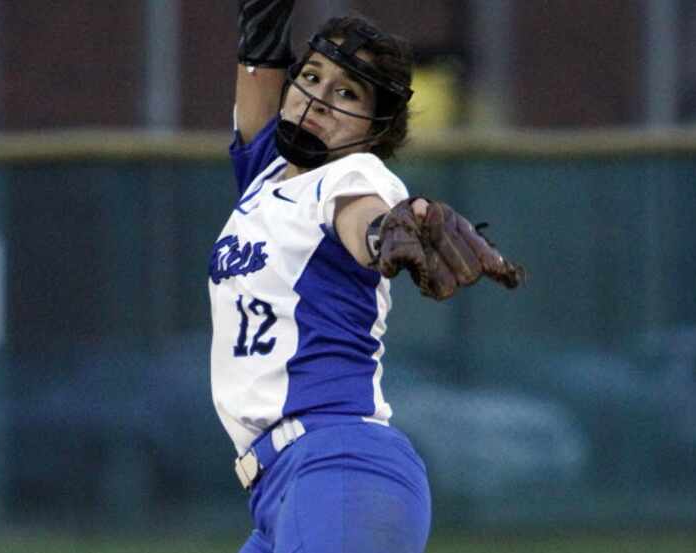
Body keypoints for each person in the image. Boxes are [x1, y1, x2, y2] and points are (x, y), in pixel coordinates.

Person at [208, 2, 522, 551]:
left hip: (339, 467)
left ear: (377, 128)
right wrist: (261, 23)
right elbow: (257, 65)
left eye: (347, 93)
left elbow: (365, 221)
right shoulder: (266, 176)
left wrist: (384, 233)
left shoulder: (354, 175)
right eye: (310, 78)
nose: (318, 101)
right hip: (281, 490)